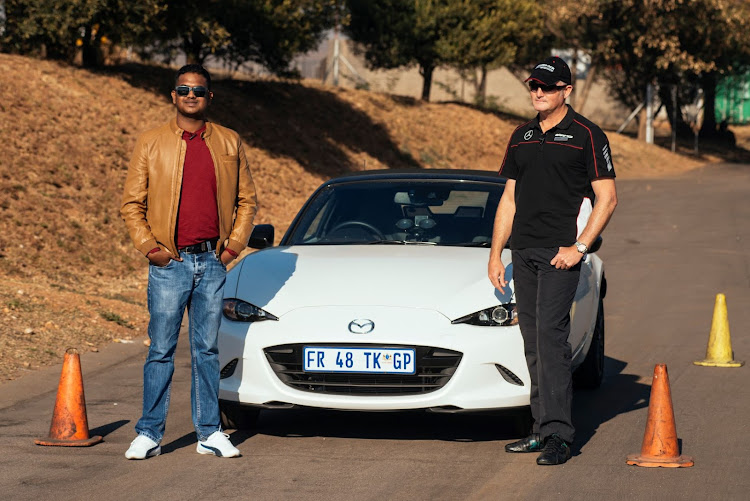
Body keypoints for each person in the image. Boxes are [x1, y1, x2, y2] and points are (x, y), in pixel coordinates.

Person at [121, 64, 258, 459]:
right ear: (173, 95)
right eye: (184, 90)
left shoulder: (229, 142)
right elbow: (132, 204)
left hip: (213, 261)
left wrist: (232, 248)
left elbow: (246, 201)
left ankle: (209, 432)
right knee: (161, 348)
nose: (191, 96)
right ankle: (149, 433)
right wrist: (150, 248)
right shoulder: (151, 142)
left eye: (198, 90)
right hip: (169, 265)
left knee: (206, 349)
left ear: (209, 97)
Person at [487, 56, 617, 465]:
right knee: (532, 343)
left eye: (546, 86)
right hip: (522, 251)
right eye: (533, 86)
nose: (538, 92)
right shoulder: (521, 135)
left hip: (560, 254)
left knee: (551, 339)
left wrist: (578, 248)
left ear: (567, 90)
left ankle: (560, 434)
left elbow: (607, 198)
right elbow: (509, 198)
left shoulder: (587, 135)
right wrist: (495, 254)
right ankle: (541, 429)